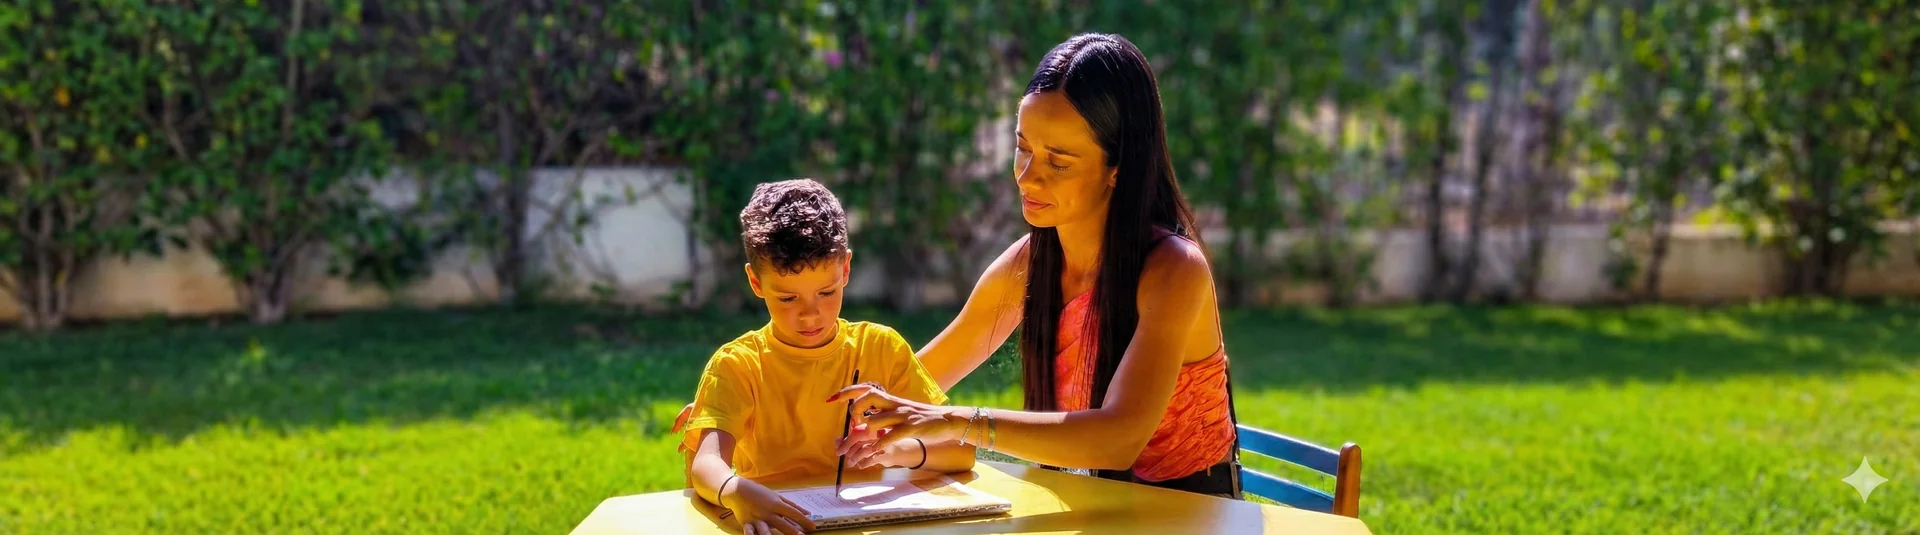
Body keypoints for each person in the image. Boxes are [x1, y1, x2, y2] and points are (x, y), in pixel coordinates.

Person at [830, 32, 1242, 498]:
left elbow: (1118, 439)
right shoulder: (1033, 261)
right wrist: (831, 415)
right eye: (1023, 147)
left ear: (1118, 168)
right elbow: (919, 381)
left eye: (1058, 161)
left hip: (1193, 515)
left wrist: (956, 421)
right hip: (1097, 510)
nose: (1027, 175)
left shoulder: (1173, 270)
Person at [680, 179, 977, 535]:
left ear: (846, 270)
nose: (810, 315)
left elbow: (962, 452)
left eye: (826, 292)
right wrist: (735, 491)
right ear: (756, 283)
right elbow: (706, 464)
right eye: (788, 299)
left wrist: (891, 450)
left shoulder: (882, 348)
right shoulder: (737, 364)